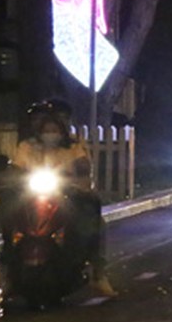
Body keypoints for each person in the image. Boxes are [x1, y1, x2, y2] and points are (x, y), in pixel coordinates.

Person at [9, 100, 116, 297]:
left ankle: (97, 272)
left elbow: (84, 168)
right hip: (31, 197)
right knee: (9, 216)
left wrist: (78, 183)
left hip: (68, 197)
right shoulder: (27, 146)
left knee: (91, 215)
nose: (49, 130)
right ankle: (8, 267)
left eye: (54, 124)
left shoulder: (74, 145)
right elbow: (15, 171)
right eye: (41, 122)